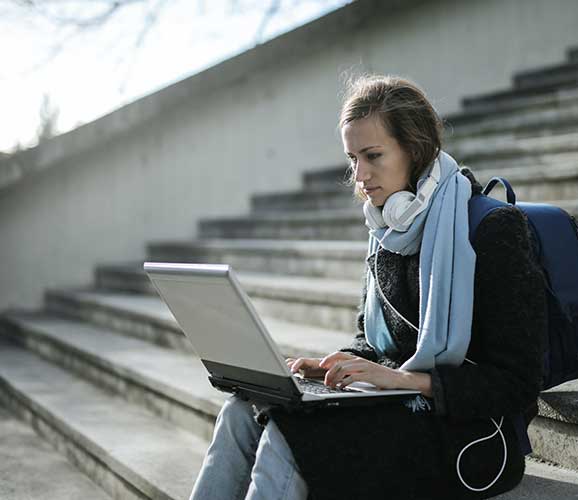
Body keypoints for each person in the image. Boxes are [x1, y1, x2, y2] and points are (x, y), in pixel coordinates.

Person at [189, 74, 547, 500]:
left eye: (373, 155)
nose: (359, 175)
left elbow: (519, 380)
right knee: (240, 411)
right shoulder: (387, 228)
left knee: (293, 434)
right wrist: (332, 365)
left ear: (415, 151)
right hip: (397, 403)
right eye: (352, 158)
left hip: (473, 435)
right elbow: (373, 340)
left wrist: (404, 380)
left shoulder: (492, 229)